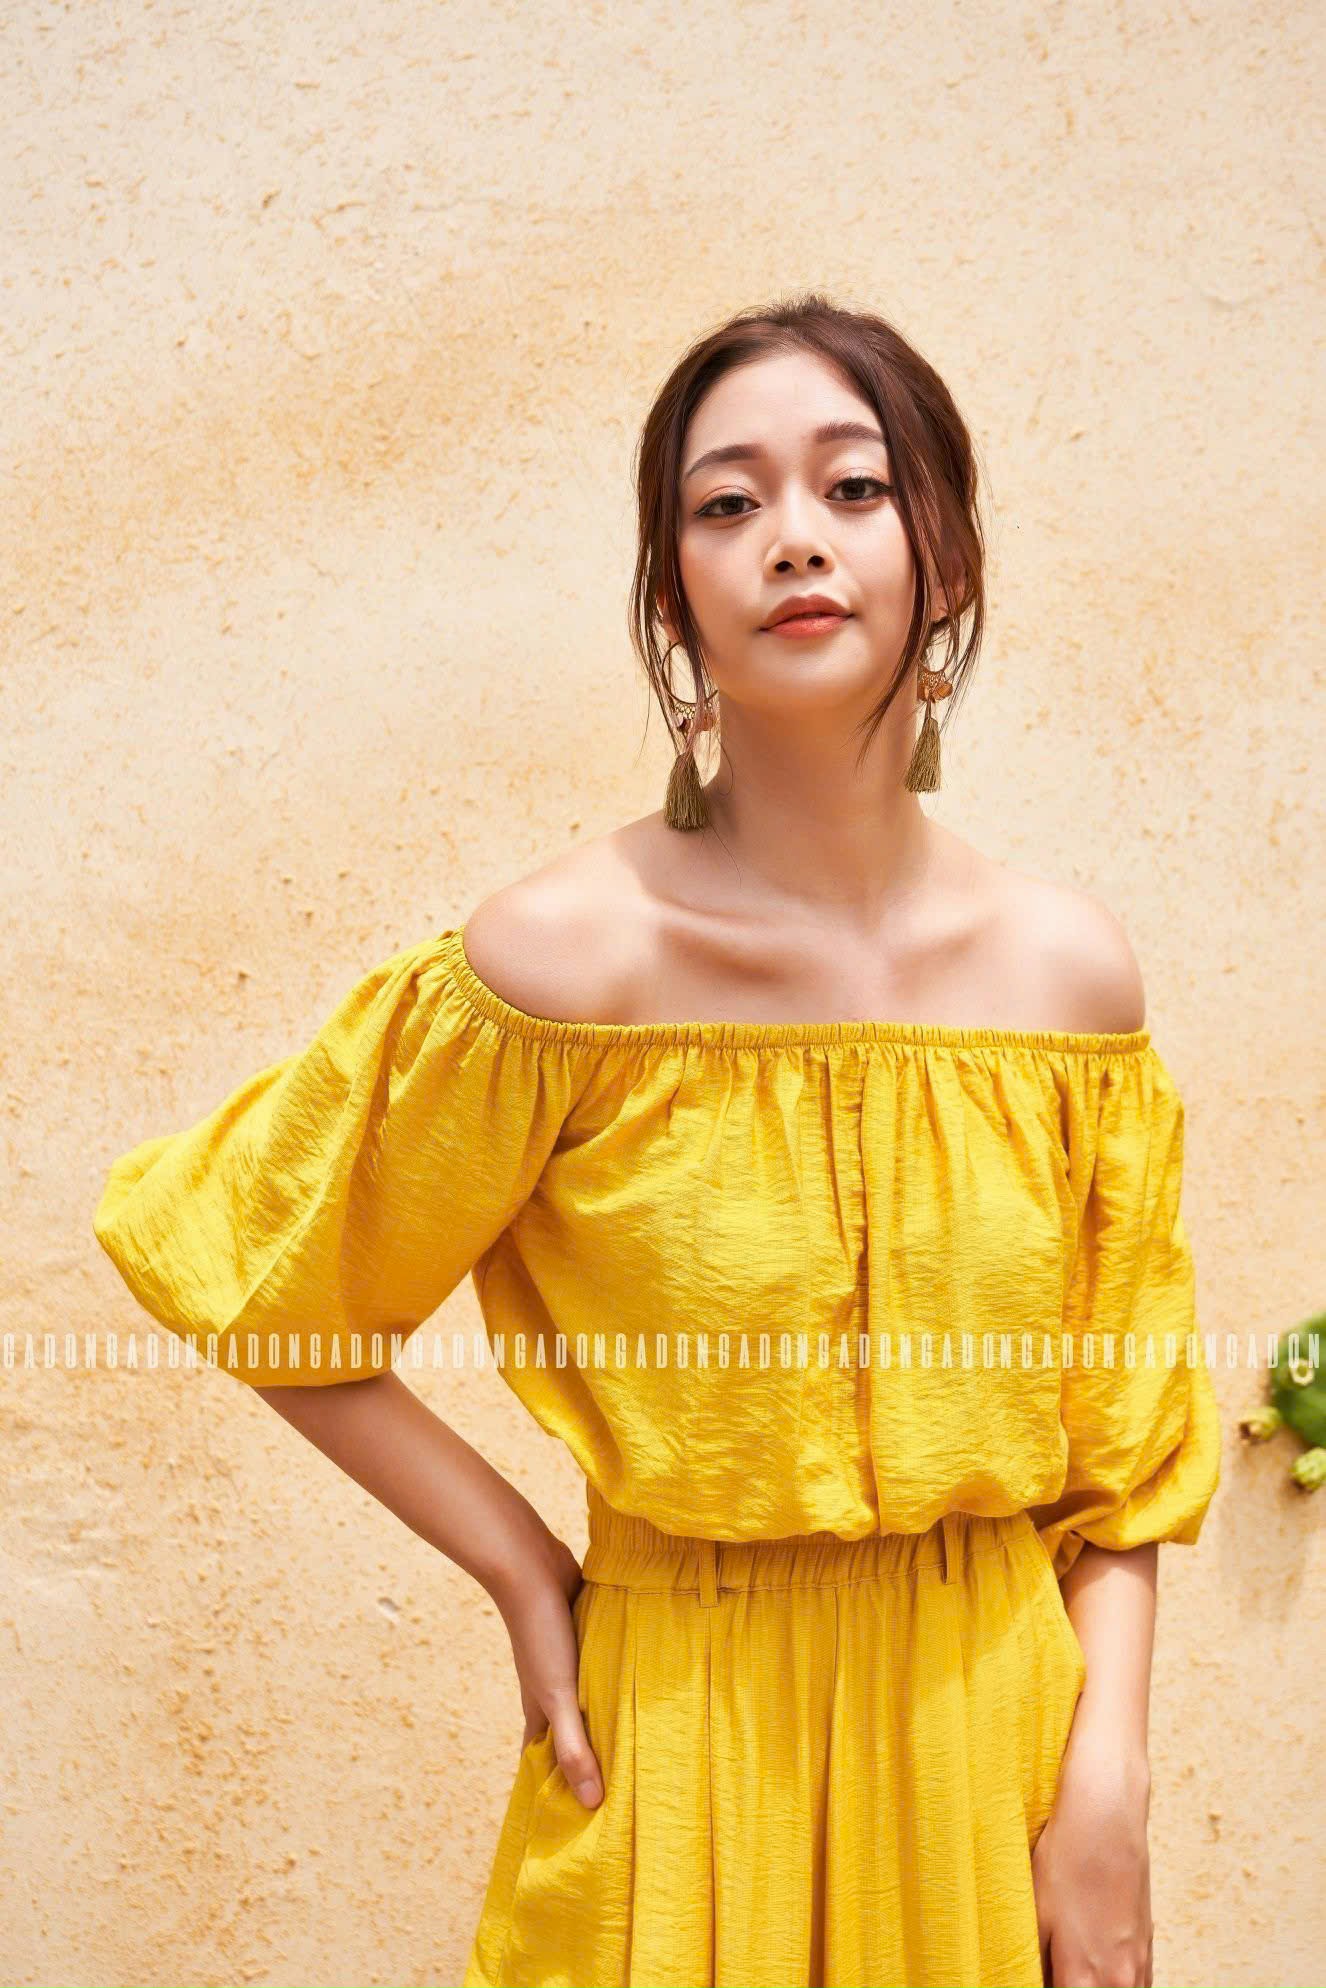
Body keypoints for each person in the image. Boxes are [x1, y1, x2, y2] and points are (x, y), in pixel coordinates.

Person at [93, 292, 1221, 1988]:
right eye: (726, 502)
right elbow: (261, 1280)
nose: (792, 538)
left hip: (994, 1757)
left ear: (946, 559)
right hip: (676, 1745)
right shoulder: (560, 963)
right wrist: (522, 1570)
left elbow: (1124, 1449)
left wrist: (1108, 1787)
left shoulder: (1067, 982)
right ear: (672, 594)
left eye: (853, 486)